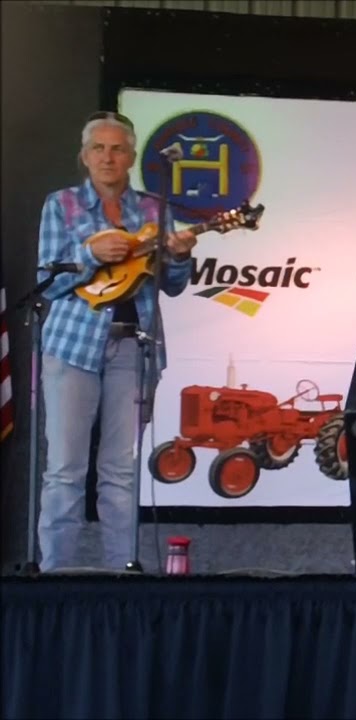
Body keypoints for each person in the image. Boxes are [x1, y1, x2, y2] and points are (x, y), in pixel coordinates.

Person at [36, 111, 197, 571]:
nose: (108, 157)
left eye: (118, 149)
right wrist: (88, 255)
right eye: (99, 149)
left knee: (121, 471)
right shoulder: (62, 205)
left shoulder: (152, 210)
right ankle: (53, 577)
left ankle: (122, 574)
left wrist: (181, 257)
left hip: (133, 346)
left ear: (130, 157)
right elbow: (46, 281)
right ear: (84, 157)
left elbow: (171, 285)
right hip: (71, 347)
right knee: (65, 471)